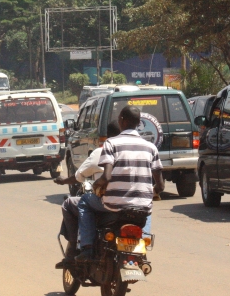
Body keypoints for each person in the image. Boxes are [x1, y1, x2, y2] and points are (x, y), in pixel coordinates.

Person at [75, 106, 164, 262]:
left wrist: (97, 185)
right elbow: (160, 185)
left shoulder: (111, 143)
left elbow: (106, 176)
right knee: (146, 206)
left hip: (113, 205)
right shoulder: (151, 147)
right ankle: (141, 252)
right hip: (141, 207)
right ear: (138, 123)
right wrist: (152, 192)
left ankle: (87, 247)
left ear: (122, 120)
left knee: (84, 202)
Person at [54, 121, 121, 269]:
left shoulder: (101, 152)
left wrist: (63, 181)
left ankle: (80, 248)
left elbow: (79, 176)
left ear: (106, 137)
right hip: (135, 206)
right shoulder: (136, 151)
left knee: (75, 202)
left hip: (108, 203)